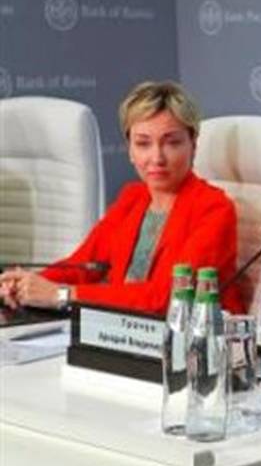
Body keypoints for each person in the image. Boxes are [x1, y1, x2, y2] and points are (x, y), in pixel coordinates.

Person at [0, 81, 243, 315]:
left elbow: (166, 300)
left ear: (193, 145)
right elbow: (81, 266)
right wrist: (26, 285)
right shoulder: (133, 198)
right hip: (121, 331)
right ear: (130, 150)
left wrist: (60, 295)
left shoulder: (214, 209)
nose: (157, 157)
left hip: (190, 336)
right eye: (143, 144)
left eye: (172, 143)